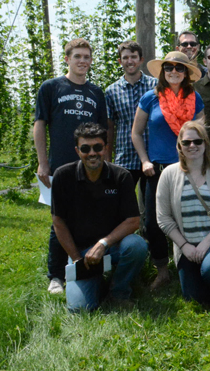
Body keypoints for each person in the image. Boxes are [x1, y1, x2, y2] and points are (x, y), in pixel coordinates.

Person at [35, 38, 108, 294]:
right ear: (67, 59)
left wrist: (105, 166)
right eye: (77, 56)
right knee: (60, 221)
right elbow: (40, 124)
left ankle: (85, 264)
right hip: (59, 167)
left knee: (89, 217)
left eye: (87, 57)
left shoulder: (96, 93)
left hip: (90, 168)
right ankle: (55, 276)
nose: (82, 61)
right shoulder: (51, 88)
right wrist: (43, 163)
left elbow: (103, 132)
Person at [51, 123, 148, 312]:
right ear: (77, 151)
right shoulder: (62, 176)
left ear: (105, 148)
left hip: (113, 247)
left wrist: (103, 244)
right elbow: (58, 222)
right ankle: (94, 278)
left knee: (137, 245)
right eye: (85, 148)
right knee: (79, 308)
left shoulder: (122, 176)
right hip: (81, 252)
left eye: (97, 147)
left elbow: (133, 221)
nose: (92, 153)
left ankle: (118, 292)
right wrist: (78, 260)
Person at [132, 51, 203, 290]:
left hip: (187, 169)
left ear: (186, 73)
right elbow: (136, 133)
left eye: (179, 68)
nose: (174, 71)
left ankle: (192, 265)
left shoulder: (195, 99)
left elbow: (201, 135)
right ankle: (162, 270)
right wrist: (144, 160)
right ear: (162, 72)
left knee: (189, 220)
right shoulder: (149, 98)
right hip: (157, 170)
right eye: (169, 67)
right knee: (153, 222)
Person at [156, 121, 210, 306]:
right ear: (179, 146)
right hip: (185, 244)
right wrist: (184, 245)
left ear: (205, 144)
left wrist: (207, 242)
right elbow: (163, 218)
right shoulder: (168, 174)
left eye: (197, 141)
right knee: (196, 299)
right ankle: (207, 276)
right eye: (186, 142)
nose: (192, 146)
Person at [105, 40, 158, 210]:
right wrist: (107, 158)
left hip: (152, 155)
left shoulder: (155, 86)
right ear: (120, 61)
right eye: (125, 57)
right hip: (125, 156)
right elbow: (109, 127)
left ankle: (149, 233)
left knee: (153, 205)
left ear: (141, 59)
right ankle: (125, 235)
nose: (130, 61)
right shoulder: (112, 91)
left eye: (133, 57)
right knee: (122, 205)